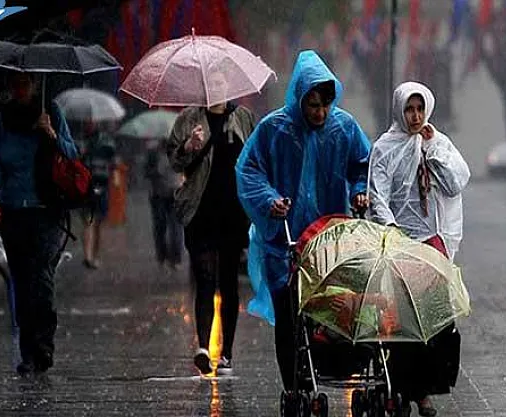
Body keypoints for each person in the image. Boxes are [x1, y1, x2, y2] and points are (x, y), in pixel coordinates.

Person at [235, 50, 371, 393]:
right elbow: (249, 170)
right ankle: (295, 386)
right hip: (285, 242)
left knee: (330, 310)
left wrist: (359, 191)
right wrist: (269, 199)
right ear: (299, 99)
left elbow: (364, 165)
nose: (320, 113)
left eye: (325, 105)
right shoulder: (274, 129)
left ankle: (324, 368)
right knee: (288, 316)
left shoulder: (343, 127)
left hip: (330, 240)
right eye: (313, 105)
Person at [368, 81, 469, 417]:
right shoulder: (385, 148)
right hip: (400, 245)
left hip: (433, 243)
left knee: (435, 322)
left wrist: (432, 150)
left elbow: (454, 184)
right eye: (409, 109)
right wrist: (392, 231)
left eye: (419, 109)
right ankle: (407, 390)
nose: (415, 116)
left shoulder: (437, 142)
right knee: (404, 323)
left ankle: (426, 389)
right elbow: (378, 195)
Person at [0, 73, 78, 375]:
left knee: (42, 279)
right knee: (21, 282)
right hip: (13, 211)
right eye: (15, 84)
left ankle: (44, 344)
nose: (20, 89)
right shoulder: (0, 122)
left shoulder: (51, 112)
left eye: (25, 83)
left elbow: (72, 154)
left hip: (46, 211)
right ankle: (27, 352)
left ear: (35, 85)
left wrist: (51, 132)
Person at [166, 71, 256, 376]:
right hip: (200, 211)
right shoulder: (188, 119)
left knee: (228, 282)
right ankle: (204, 347)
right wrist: (189, 146)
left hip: (233, 213)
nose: (215, 88)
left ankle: (226, 352)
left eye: (219, 82)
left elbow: (255, 159)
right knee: (204, 277)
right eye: (210, 83)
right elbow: (174, 161)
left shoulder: (242, 118)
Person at [79, 120, 116, 269]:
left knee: (98, 222)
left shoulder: (106, 142)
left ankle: (93, 255)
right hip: (87, 187)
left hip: (100, 186)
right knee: (89, 221)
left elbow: (112, 162)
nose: (90, 124)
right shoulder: (82, 142)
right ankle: (88, 256)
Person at [145, 138, 184, 271]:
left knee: (175, 228)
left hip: (173, 194)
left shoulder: (180, 151)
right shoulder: (153, 153)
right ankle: (163, 256)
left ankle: (174, 258)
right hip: (159, 194)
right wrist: (155, 172)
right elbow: (147, 172)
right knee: (161, 227)